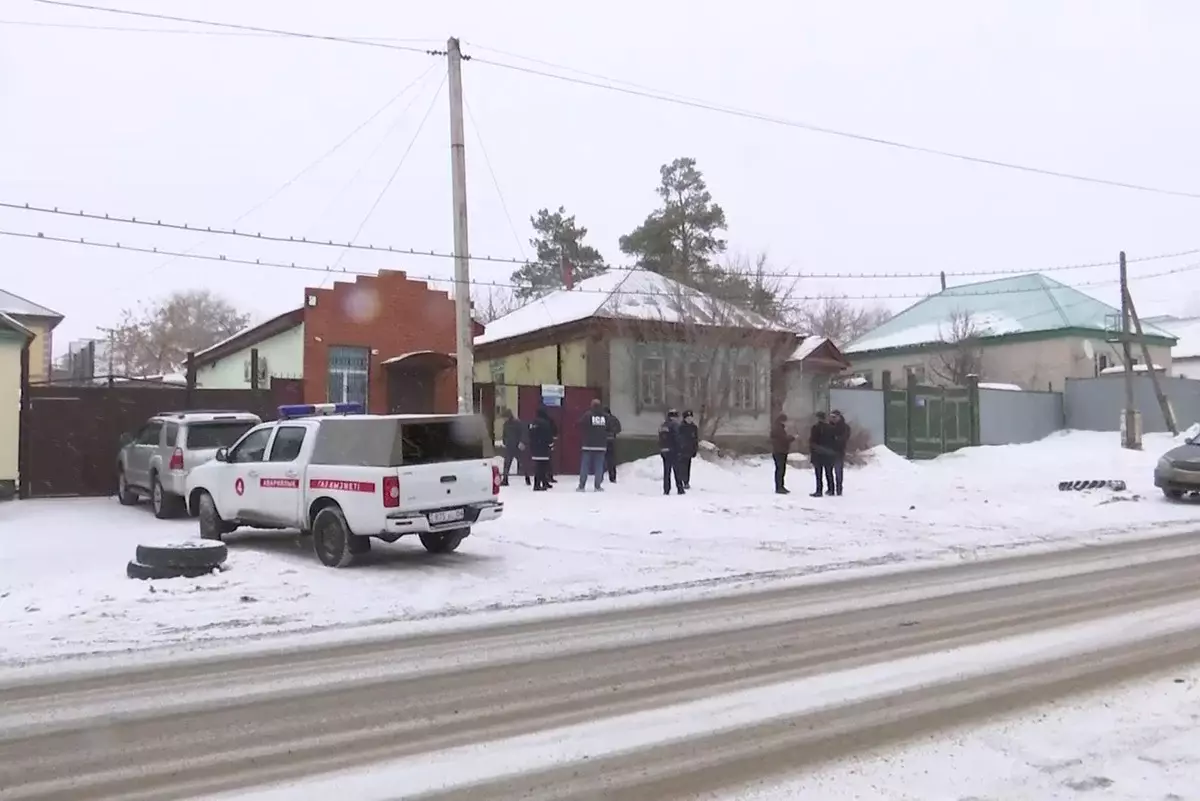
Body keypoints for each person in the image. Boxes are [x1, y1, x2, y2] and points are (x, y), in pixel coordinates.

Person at [577, 398, 609, 492]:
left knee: (585, 466)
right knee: (599, 467)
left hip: (588, 445)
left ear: (592, 405)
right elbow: (611, 427)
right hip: (601, 445)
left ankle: (582, 486)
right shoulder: (605, 416)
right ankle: (597, 486)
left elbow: (580, 424)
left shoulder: (587, 415)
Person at [809, 411, 836, 497]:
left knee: (819, 474)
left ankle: (819, 490)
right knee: (829, 473)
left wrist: (812, 452)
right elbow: (834, 441)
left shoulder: (815, 428)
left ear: (818, 418)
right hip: (828, 453)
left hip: (818, 454)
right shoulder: (831, 428)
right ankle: (831, 489)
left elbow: (812, 441)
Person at [658, 409, 685, 495]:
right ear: (674, 417)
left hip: (664, 450)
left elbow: (660, 438)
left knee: (666, 471)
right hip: (673, 450)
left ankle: (666, 489)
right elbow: (677, 438)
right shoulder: (674, 425)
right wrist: (680, 449)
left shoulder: (663, 426)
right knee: (677, 470)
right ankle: (680, 488)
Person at [499, 409, 529, 487]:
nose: (504, 419)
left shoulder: (518, 423)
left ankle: (527, 477)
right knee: (507, 464)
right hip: (509, 446)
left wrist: (522, 442)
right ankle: (505, 479)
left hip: (517, 446)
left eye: (505, 417)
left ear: (508, 416)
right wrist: (504, 441)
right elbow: (504, 434)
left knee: (522, 463)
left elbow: (523, 433)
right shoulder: (506, 424)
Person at [528, 408, 555, 491]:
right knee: (542, 467)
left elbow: (530, 434)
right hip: (543, 448)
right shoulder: (545, 423)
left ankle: (544, 482)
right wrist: (551, 445)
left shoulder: (533, 423)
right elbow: (548, 435)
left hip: (535, 447)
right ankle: (537, 485)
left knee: (539, 466)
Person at [770, 413, 794, 494]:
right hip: (780, 451)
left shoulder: (777, 427)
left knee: (780, 469)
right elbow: (783, 439)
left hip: (779, 451)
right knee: (780, 470)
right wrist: (792, 438)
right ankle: (779, 487)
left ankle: (780, 486)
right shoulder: (778, 428)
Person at [828, 409, 850, 496]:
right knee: (828, 471)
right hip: (828, 451)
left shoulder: (844, 427)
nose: (832, 419)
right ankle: (831, 489)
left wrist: (836, 439)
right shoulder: (828, 426)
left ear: (839, 417)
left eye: (834, 417)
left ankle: (839, 488)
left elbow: (844, 438)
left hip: (839, 451)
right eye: (831, 417)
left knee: (838, 471)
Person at [678, 410, 699, 490]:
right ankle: (681, 481)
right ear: (684, 418)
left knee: (687, 466)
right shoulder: (681, 427)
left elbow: (695, 439)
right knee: (682, 467)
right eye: (688, 418)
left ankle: (686, 482)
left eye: (691, 417)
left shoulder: (694, 427)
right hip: (681, 450)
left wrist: (695, 449)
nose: (690, 419)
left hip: (689, 450)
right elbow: (678, 438)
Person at [604, 406, 622, 483]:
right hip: (612, 440)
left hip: (603, 441)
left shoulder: (603, 419)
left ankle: (600, 476)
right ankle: (612, 477)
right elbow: (619, 429)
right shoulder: (614, 419)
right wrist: (612, 433)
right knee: (611, 459)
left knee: (601, 459)